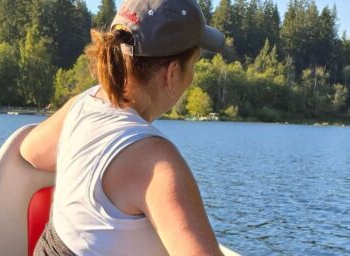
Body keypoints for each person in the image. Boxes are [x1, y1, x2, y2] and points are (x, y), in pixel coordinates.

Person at [19, 0, 226, 255]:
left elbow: (31, 151)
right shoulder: (156, 163)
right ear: (172, 73)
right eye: (193, 65)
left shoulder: (86, 104)